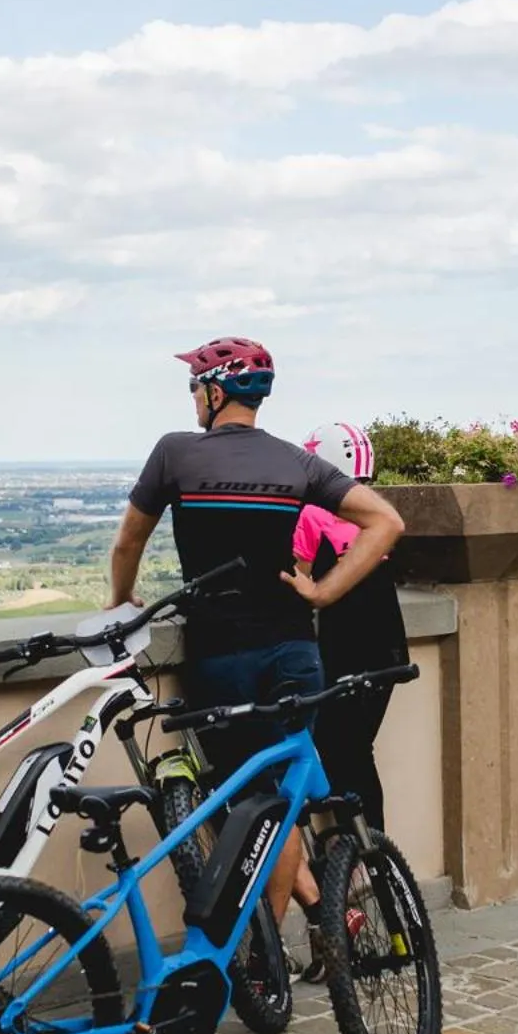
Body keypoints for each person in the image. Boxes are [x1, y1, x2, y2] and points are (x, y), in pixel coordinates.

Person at [109, 341, 404, 924]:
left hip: (223, 652)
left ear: (216, 392)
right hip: (296, 649)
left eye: (195, 387)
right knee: (282, 803)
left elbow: (129, 542)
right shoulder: (296, 462)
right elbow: (385, 521)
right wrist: (323, 592)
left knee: (249, 803)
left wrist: (120, 600)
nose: (193, 399)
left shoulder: (175, 454)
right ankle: (304, 938)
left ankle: (268, 957)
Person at [289, 421, 410, 978]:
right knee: (357, 772)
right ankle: (387, 907)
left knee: (337, 779)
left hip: (339, 664)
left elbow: (295, 584)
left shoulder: (313, 516)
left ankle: (357, 899)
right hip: (386, 659)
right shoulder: (372, 513)